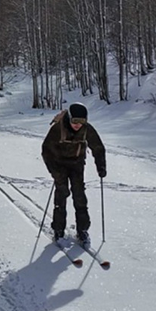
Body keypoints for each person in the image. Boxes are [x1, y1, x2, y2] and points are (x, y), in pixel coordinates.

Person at [41, 102, 107, 246]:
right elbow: (46, 150)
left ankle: (82, 230)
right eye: (75, 121)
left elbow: (98, 147)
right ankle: (58, 229)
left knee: (79, 196)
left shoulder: (86, 129)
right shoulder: (58, 129)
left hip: (77, 164)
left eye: (82, 121)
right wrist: (55, 173)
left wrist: (101, 166)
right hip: (59, 165)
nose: (78, 125)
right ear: (69, 118)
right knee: (61, 194)